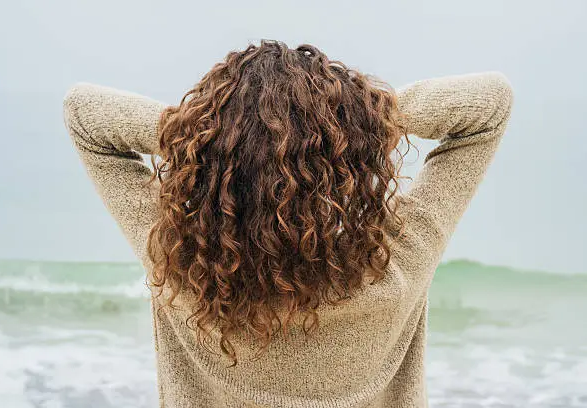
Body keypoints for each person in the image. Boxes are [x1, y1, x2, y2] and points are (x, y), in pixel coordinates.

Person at [62, 39, 513, 408]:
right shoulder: (395, 268)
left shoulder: (183, 267)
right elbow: (490, 103)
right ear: (339, 164)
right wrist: (352, 123)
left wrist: (205, 134)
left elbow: (84, 113)